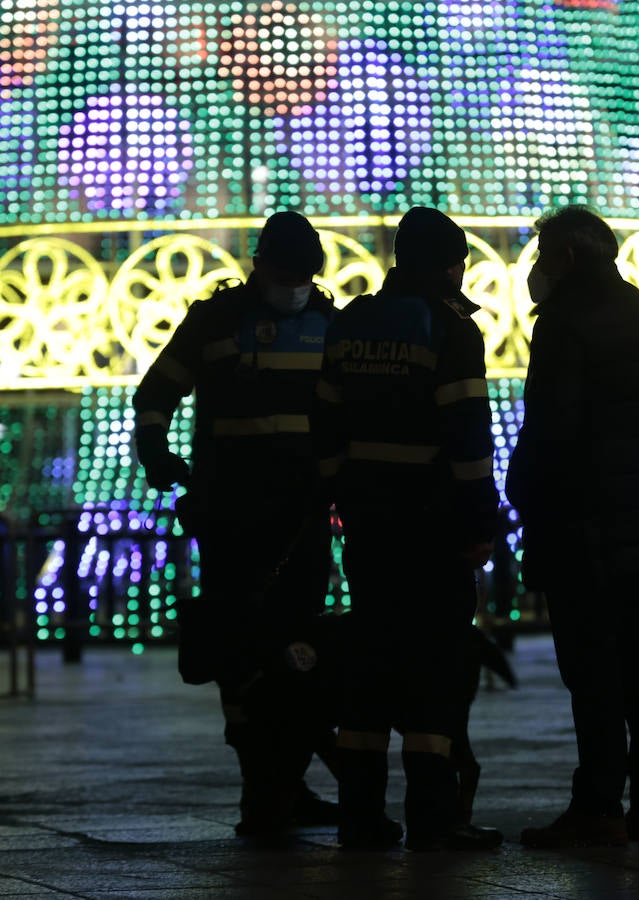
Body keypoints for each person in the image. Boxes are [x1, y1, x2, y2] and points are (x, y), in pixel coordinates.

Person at [133, 210, 339, 837]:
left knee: (300, 650)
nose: (295, 286)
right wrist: (155, 450)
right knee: (242, 654)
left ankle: (287, 784)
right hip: (232, 516)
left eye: (304, 276)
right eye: (287, 274)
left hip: (302, 520)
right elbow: (156, 392)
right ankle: (262, 789)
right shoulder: (215, 320)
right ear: (260, 265)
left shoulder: (329, 322)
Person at [312, 206, 503, 852]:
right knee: (434, 670)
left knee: (368, 665)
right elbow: (469, 439)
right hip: (434, 529)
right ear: (449, 267)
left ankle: (360, 816)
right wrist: (480, 523)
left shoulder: (351, 323)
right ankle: (434, 817)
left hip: (369, 528)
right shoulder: (450, 330)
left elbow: (324, 424)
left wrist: (345, 492)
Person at [509, 205, 639, 848]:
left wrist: (522, 490)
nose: (535, 269)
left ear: (567, 257)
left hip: (581, 521)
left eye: (542, 256)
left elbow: (550, 428)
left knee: (591, 668)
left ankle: (599, 805)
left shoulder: (564, 323)